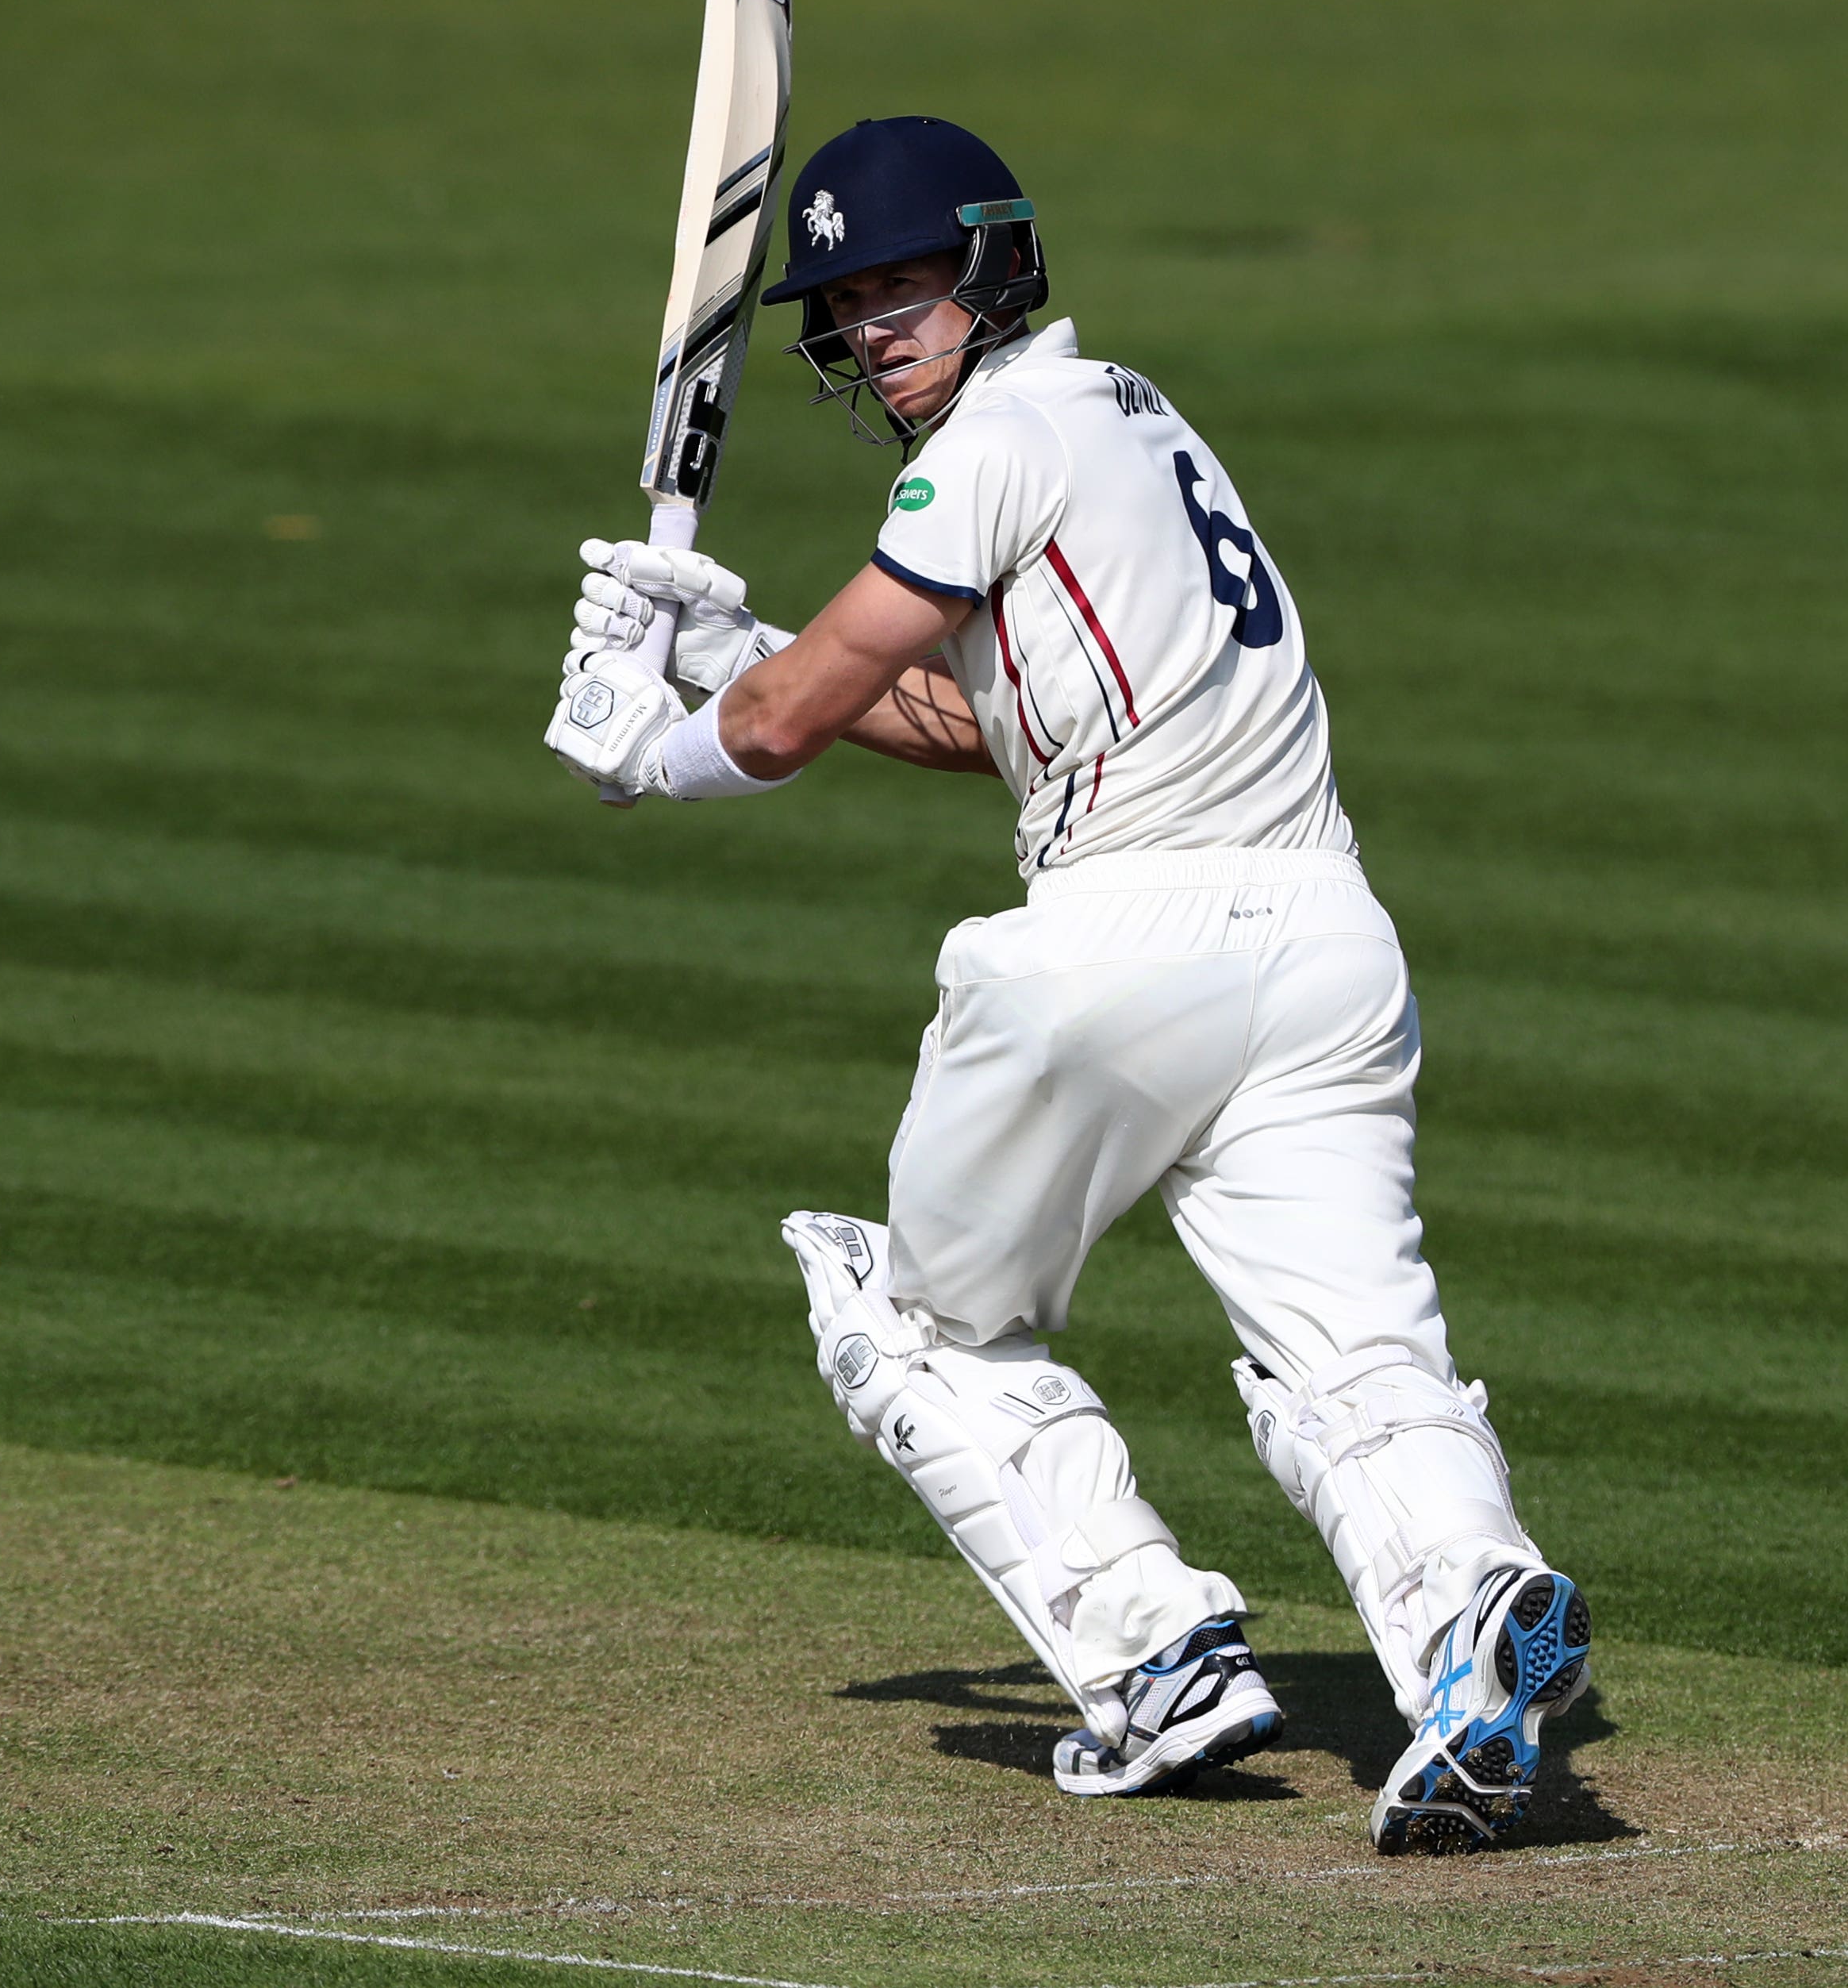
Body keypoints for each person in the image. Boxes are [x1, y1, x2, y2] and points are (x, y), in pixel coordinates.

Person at [542, 117, 1588, 1854]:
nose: (877, 327)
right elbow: (997, 720)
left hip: (1118, 949)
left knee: (910, 1315)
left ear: (993, 266)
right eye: (851, 303)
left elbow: (792, 732)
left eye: (906, 286)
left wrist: (651, 743)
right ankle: (1479, 1629)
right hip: (1327, 948)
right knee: (1360, 1364)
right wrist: (739, 655)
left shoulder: (988, 448)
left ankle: (1149, 1649)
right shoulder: (1130, 417)